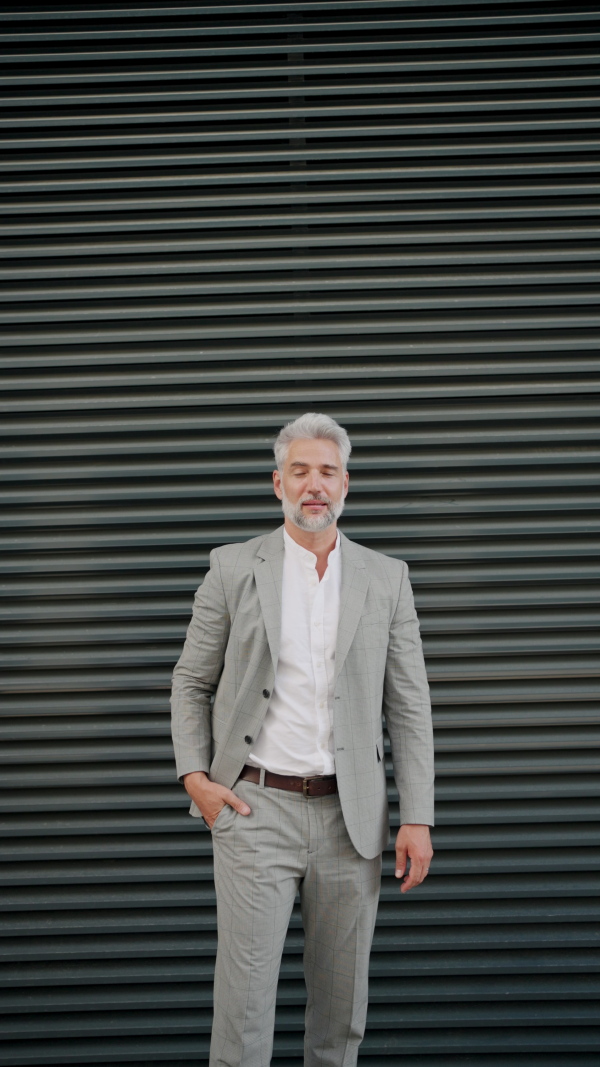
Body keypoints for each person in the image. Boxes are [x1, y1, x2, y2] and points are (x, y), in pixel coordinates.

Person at [171, 412, 434, 1067]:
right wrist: (197, 779)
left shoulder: (386, 576)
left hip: (354, 821)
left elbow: (408, 703)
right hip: (255, 810)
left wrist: (418, 815)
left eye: (326, 471)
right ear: (277, 483)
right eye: (299, 471)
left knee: (340, 1014)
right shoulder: (233, 568)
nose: (313, 484)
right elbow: (190, 680)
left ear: (346, 483)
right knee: (244, 1010)